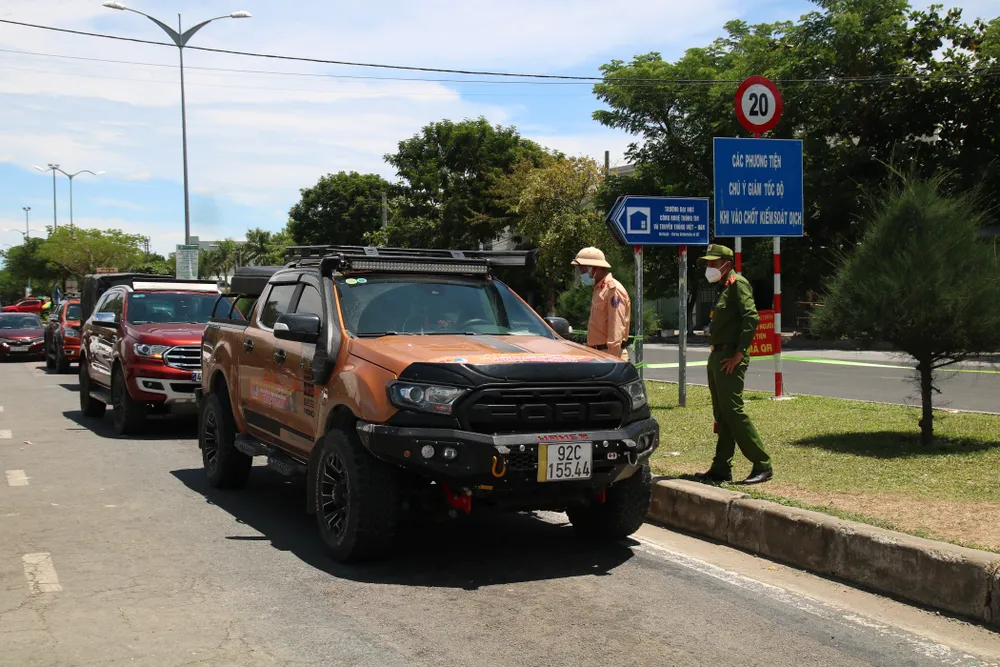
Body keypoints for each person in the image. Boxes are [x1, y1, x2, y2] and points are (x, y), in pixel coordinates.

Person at [694, 244, 773, 485]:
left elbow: (752, 317)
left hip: (730, 356)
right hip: (717, 356)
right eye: (708, 263)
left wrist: (739, 353)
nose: (709, 267)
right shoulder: (722, 288)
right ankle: (721, 468)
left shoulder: (738, 284)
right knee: (722, 414)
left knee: (734, 412)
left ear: (726, 264)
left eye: (713, 263)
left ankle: (762, 463)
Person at [571, 247, 630, 361]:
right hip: (598, 354)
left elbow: (616, 328)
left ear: (594, 268)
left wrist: (612, 361)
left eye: (583, 270)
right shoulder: (599, 289)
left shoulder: (613, 290)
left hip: (609, 355)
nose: (582, 274)